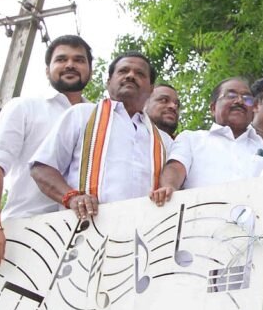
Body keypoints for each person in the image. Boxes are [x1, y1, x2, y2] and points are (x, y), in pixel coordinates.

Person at [0, 35, 93, 267]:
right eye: (61, 59)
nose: (70, 64)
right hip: (25, 233)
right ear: (47, 70)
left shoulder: (100, 117)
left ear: (90, 70)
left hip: (88, 236)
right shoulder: (24, 107)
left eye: (79, 60)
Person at [30, 52, 172, 220]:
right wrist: (72, 197)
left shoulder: (164, 140)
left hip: (147, 230)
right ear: (108, 82)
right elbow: (42, 167)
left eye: (140, 74)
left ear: (151, 89)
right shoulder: (82, 114)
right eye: (123, 71)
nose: (130, 76)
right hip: (84, 227)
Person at [150, 77, 263, 205]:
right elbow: (176, 167)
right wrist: (169, 187)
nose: (240, 101)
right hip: (199, 214)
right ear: (213, 108)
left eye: (247, 98)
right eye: (231, 95)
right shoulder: (191, 139)